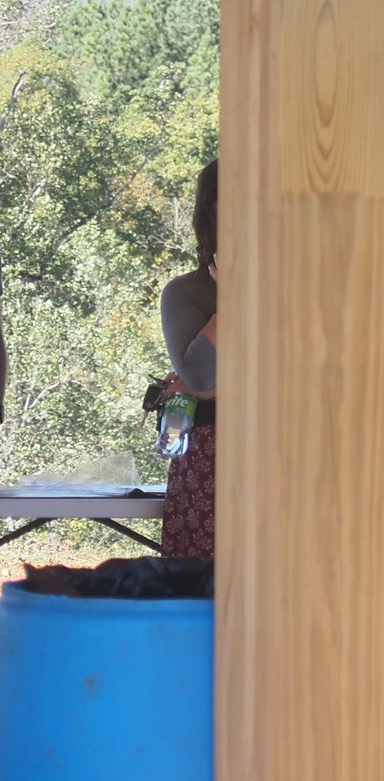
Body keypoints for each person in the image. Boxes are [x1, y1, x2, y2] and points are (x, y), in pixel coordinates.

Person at [157, 160, 219, 558]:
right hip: (209, 466)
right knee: (203, 601)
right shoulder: (185, 292)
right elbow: (196, 374)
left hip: (290, 455)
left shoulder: (297, 287)